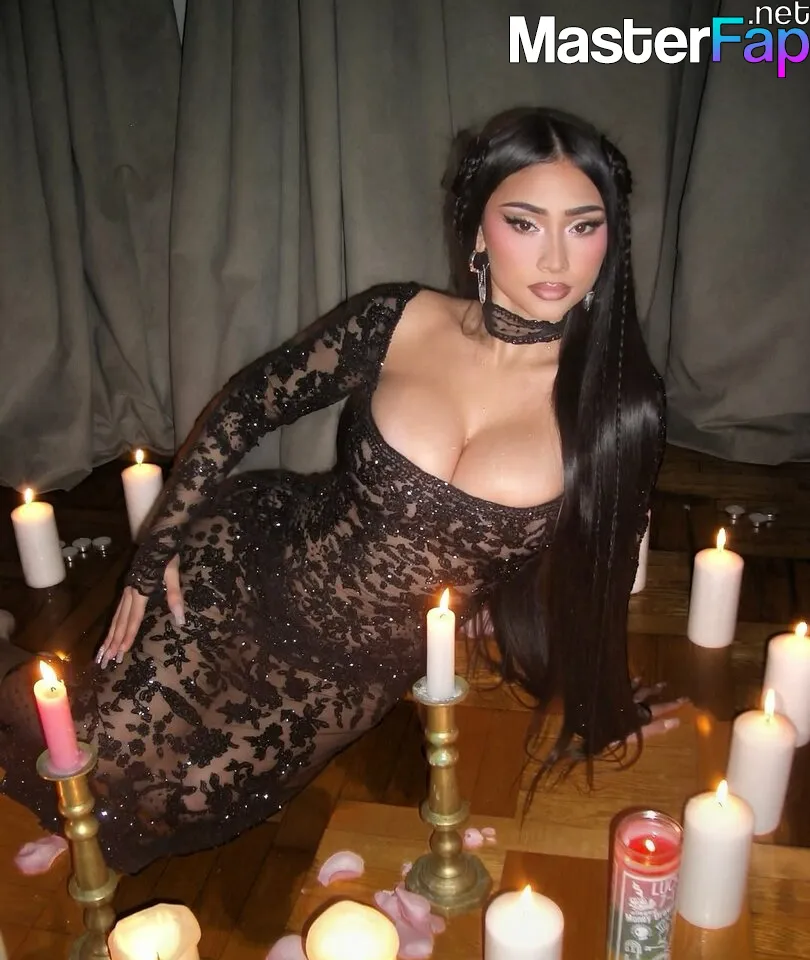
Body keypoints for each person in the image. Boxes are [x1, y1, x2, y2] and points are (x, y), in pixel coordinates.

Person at [0, 106, 677, 876]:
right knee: (97, 754)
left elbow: (600, 567)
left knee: (167, 806)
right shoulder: (400, 318)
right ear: (479, 230)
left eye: (583, 226)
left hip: (350, 669)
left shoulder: (620, 404)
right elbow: (247, 405)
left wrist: (599, 706)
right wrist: (158, 551)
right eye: (525, 222)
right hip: (249, 560)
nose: (556, 256)